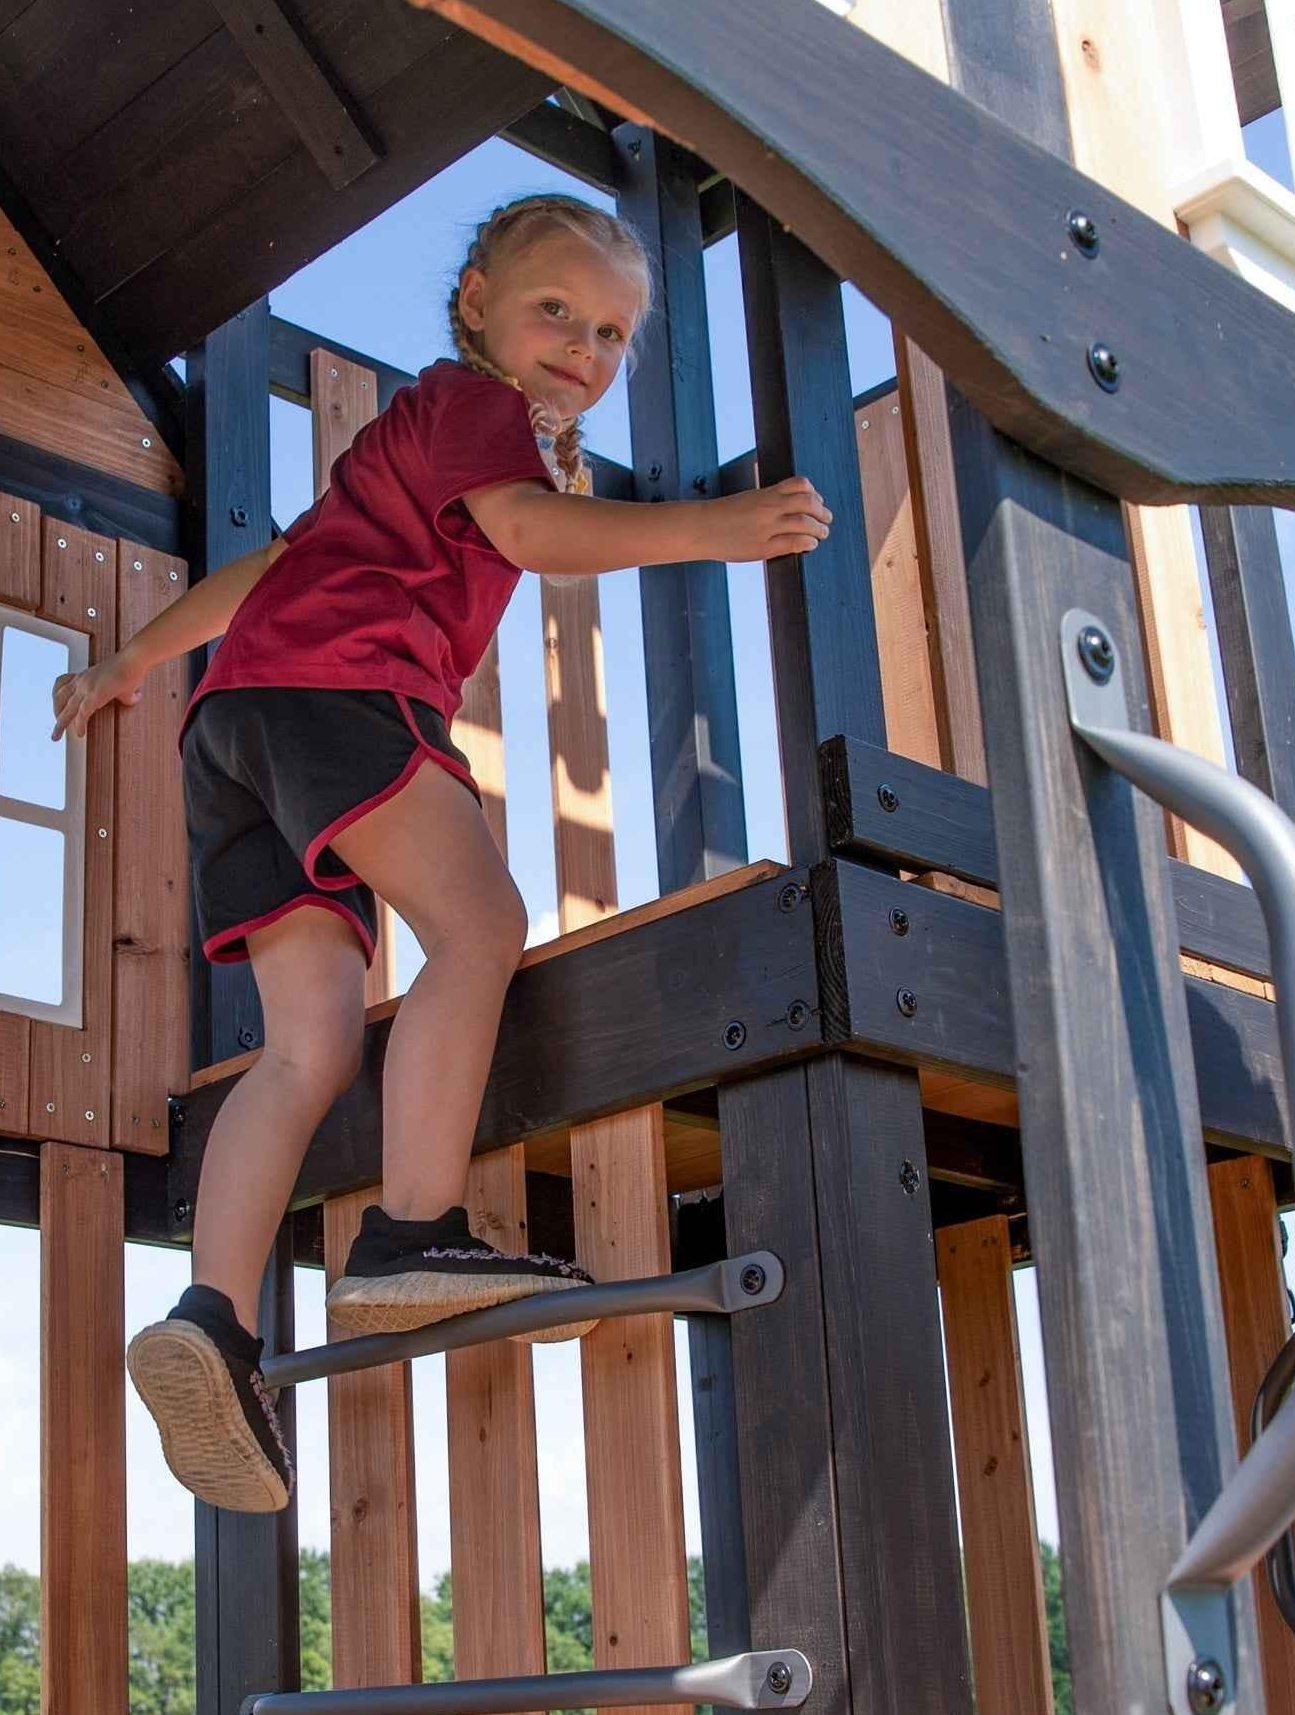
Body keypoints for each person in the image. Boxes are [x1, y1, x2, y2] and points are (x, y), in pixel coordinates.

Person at [51, 193, 832, 1516]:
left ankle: (213, 1318)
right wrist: (720, 527)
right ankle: (413, 1231)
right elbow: (530, 535)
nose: (582, 348)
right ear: (475, 300)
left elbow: (271, 568)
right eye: (555, 312)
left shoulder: (404, 448)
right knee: (478, 928)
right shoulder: (473, 406)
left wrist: (139, 655)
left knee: (309, 1045)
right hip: (342, 698)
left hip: (231, 726)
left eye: (612, 335)